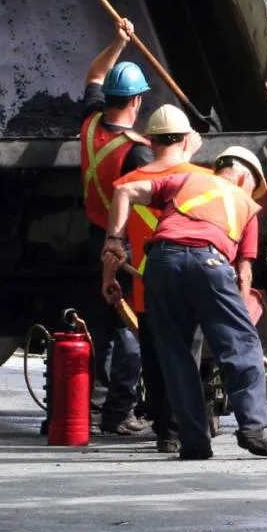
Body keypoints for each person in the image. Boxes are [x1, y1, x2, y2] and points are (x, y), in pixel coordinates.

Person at [101, 146, 267, 460]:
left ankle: (194, 442)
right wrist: (240, 325)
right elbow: (244, 273)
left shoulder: (184, 181)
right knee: (242, 347)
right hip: (209, 263)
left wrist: (114, 241)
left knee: (177, 358)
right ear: (242, 175)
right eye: (253, 186)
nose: (253, 194)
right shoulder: (246, 205)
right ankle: (253, 428)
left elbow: (124, 190)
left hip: (160, 265)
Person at [109, 104, 209, 453]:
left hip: (147, 286)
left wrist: (109, 278)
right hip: (192, 284)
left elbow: (113, 246)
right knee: (187, 357)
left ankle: (165, 431)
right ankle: (182, 428)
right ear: (184, 140)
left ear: (149, 143)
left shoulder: (128, 184)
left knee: (155, 359)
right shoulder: (200, 179)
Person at [79, 18, 154, 435]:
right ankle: (118, 413)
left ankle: (89, 407)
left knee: (98, 325)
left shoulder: (89, 123)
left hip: (92, 234)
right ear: (138, 102)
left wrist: (118, 43)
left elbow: (94, 73)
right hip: (122, 245)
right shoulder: (137, 154)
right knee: (129, 328)